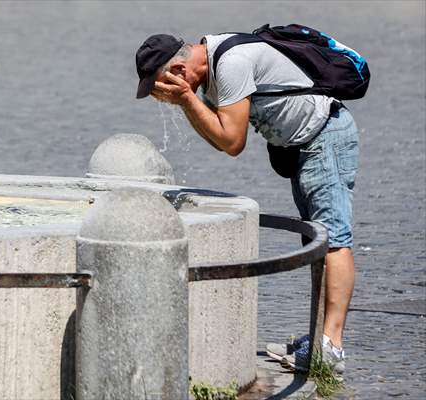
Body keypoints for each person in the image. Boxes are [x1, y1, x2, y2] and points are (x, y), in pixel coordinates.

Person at [135, 32, 359, 375]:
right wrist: (189, 100)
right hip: (304, 145)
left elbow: (233, 141)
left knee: (333, 241)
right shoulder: (211, 69)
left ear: (178, 69)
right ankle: (318, 338)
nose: (161, 97)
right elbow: (220, 138)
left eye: (160, 85)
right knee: (318, 240)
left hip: (323, 138)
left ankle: (331, 348)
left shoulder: (231, 64)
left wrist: (186, 101)